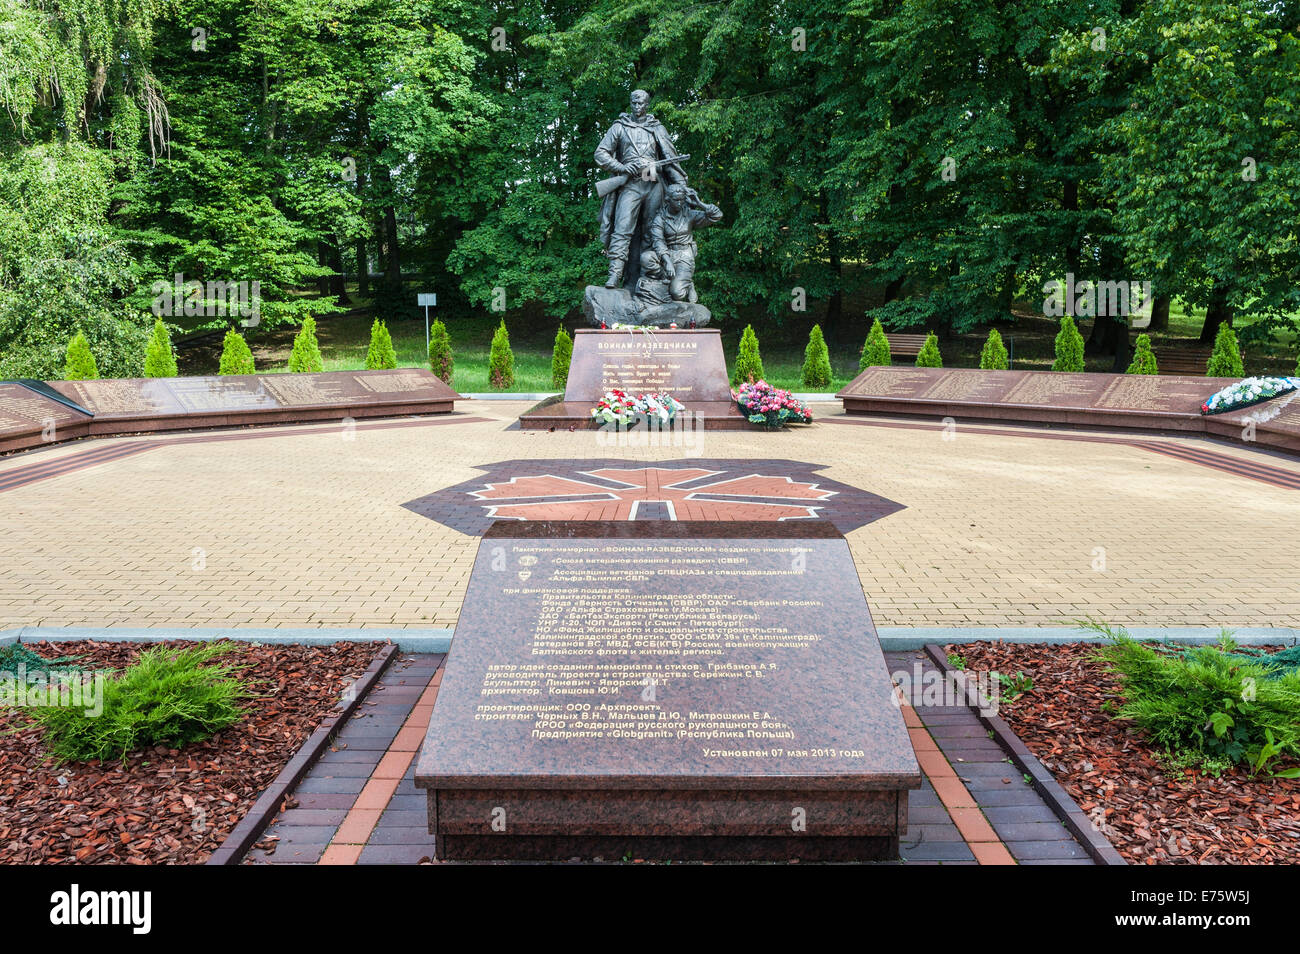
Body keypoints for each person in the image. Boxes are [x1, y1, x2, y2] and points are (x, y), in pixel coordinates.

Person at [594, 89, 688, 289]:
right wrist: (622, 167)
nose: (637, 107)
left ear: (647, 105)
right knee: (622, 229)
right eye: (634, 103)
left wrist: (680, 185)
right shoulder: (619, 127)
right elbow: (601, 153)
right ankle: (614, 275)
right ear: (630, 103)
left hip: (653, 185)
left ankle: (648, 277)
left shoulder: (657, 128)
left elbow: (670, 160)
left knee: (652, 233)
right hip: (630, 184)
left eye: (641, 104)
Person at [649, 183, 722, 303]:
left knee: (677, 293)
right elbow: (658, 241)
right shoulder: (660, 218)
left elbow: (717, 215)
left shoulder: (689, 214)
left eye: (682, 200)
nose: (679, 203)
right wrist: (667, 261)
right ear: (668, 200)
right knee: (646, 259)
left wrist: (699, 203)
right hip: (667, 253)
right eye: (676, 200)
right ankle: (666, 277)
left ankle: (688, 284)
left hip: (685, 255)